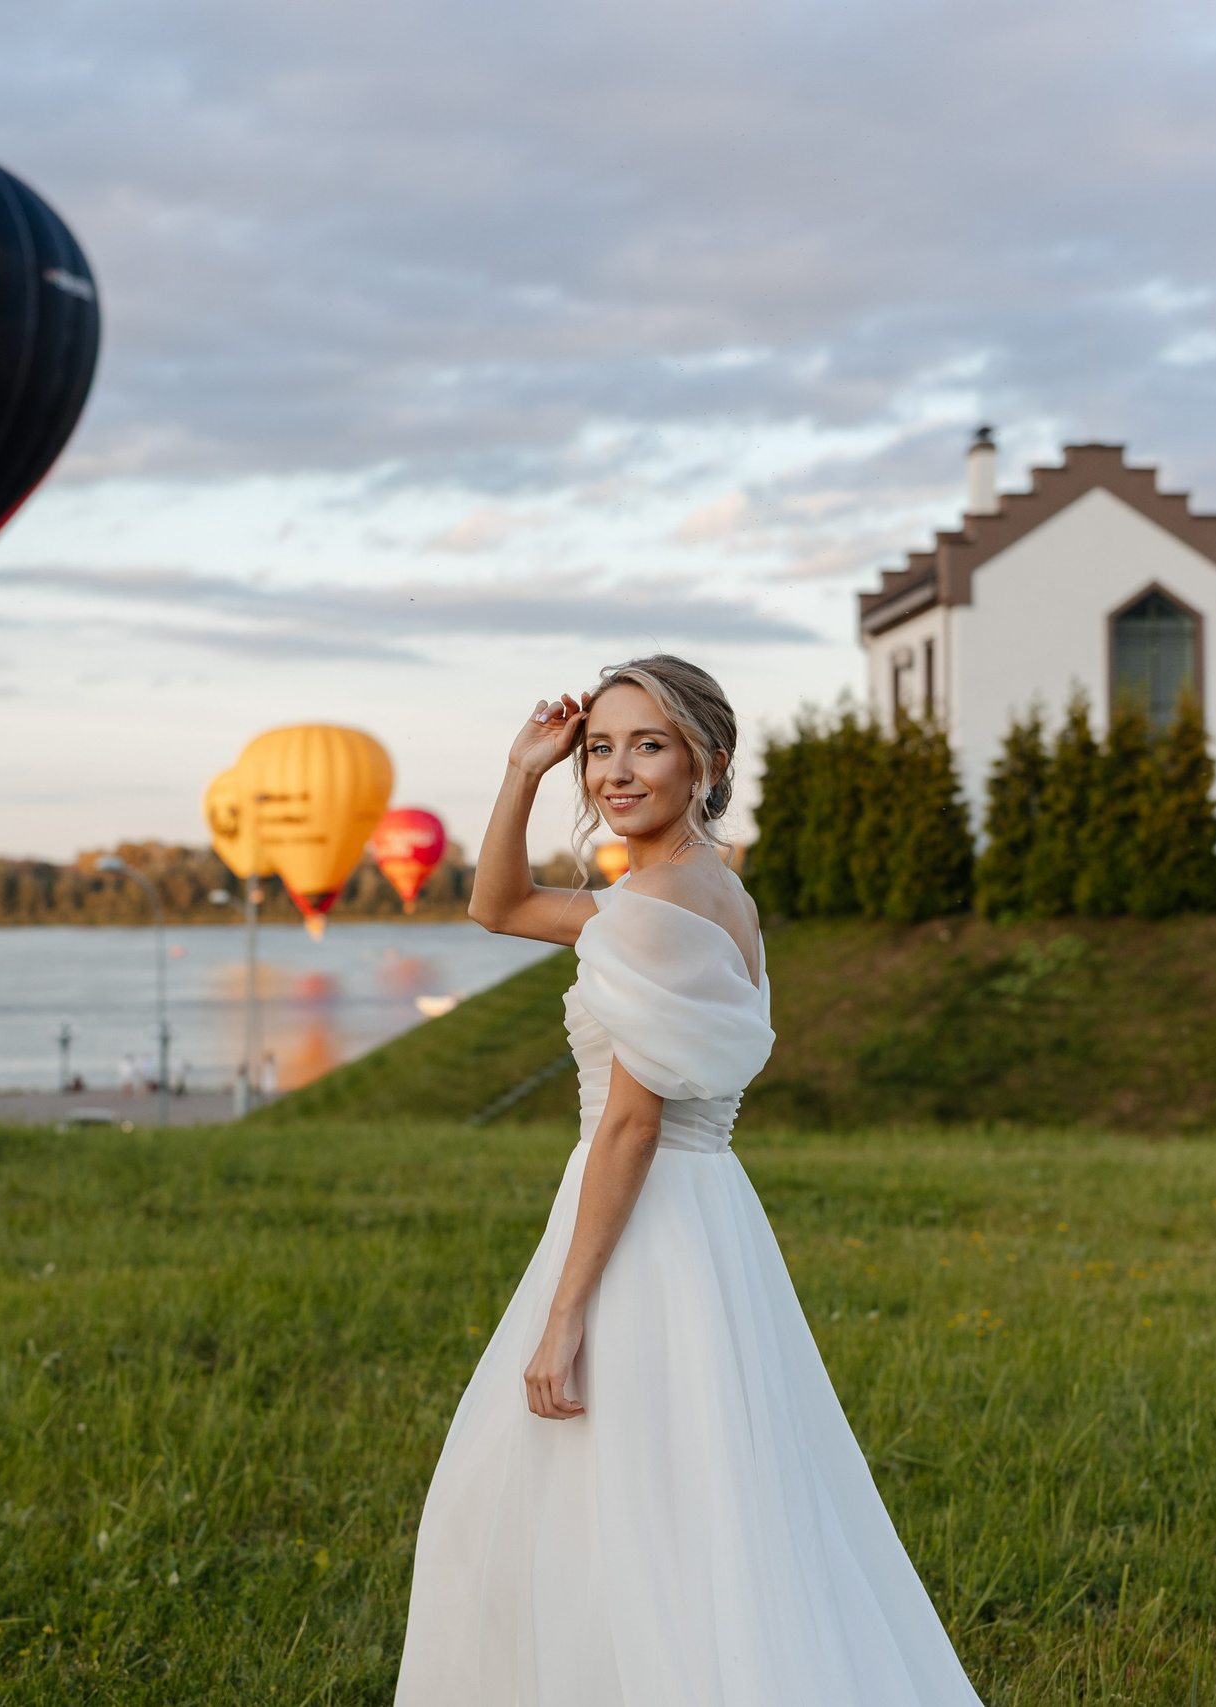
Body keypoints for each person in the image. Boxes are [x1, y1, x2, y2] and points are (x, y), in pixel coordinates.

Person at [396, 657, 980, 1704]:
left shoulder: (648, 911)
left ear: (706, 763)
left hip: (642, 1220)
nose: (614, 772)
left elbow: (628, 1125)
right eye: (599, 748)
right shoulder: (707, 894)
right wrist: (524, 769)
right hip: (706, 1218)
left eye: (647, 746)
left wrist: (564, 1312)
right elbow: (497, 905)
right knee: (706, 1502)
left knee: (579, 1498)